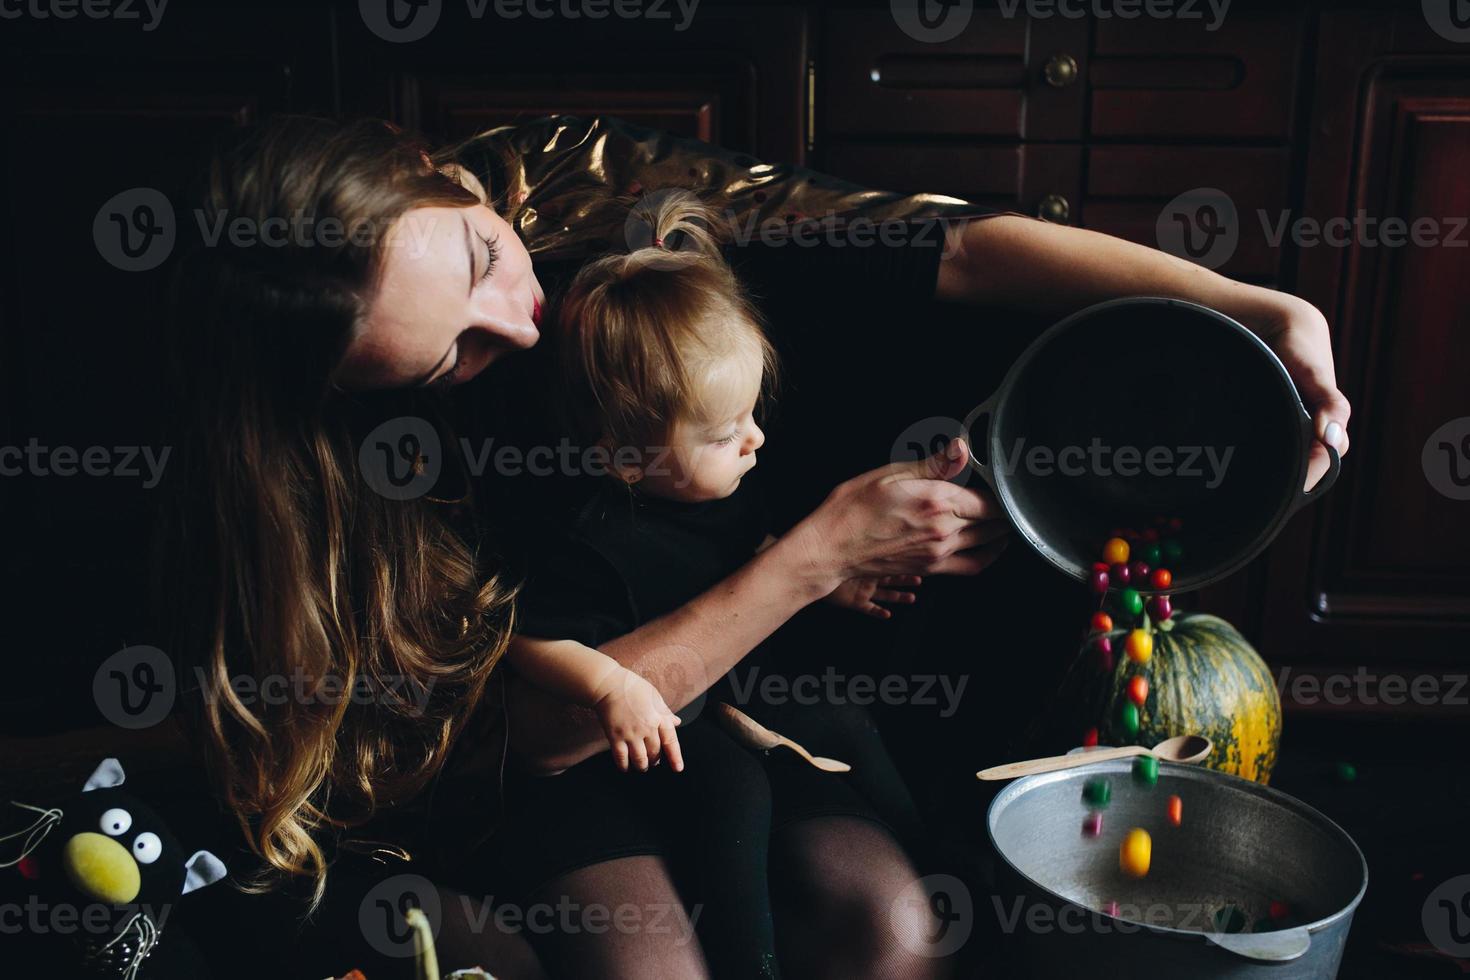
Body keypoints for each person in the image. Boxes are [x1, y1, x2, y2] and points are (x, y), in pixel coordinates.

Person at [153, 112, 1349, 979]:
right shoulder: (362, 469)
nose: (511, 327)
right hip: (549, 759)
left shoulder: (592, 196)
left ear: (438, 172)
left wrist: (1255, 310)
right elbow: (540, 731)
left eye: (482, 263)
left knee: (891, 924)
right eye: (446, 357)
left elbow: (964, 250)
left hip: (763, 696)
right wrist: (817, 553)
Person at [491, 191, 939, 980]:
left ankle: (952, 851)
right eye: (726, 433)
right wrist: (607, 684)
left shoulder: (720, 490)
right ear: (627, 461)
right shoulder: (580, 534)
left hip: (707, 710)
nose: (755, 440)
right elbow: (528, 637)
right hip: (607, 752)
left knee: (840, 727)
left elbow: (748, 553)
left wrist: (828, 582)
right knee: (733, 792)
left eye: (752, 415)